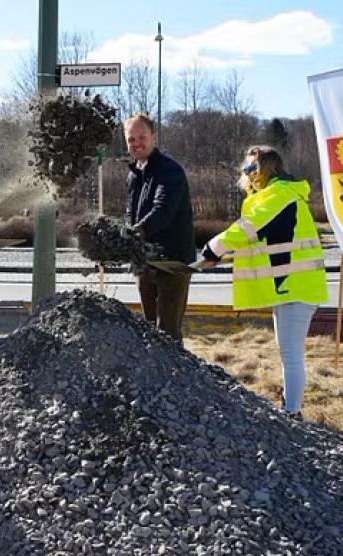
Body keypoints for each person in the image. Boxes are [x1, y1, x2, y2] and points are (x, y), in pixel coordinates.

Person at [199, 145, 328, 416]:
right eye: (245, 169)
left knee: (291, 355)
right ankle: (290, 408)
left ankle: (292, 412)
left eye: (250, 169)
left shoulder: (278, 196)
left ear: (265, 170)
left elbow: (247, 228)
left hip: (298, 287)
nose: (246, 175)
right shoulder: (277, 195)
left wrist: (214, 247)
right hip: (288, 286)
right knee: (287, 353)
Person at [123, 112, 195, 340]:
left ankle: (176, 375)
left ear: (153, 136)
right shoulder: (134, 174)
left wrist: (137, 232)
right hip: (145, 261)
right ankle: (156, 375)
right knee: (150, 330)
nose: (137, 143)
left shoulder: (169, 170)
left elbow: (163, 209)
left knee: (168, 332)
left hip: (172, 262)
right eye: (131, 139)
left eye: (141, 137)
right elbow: (131, 212)